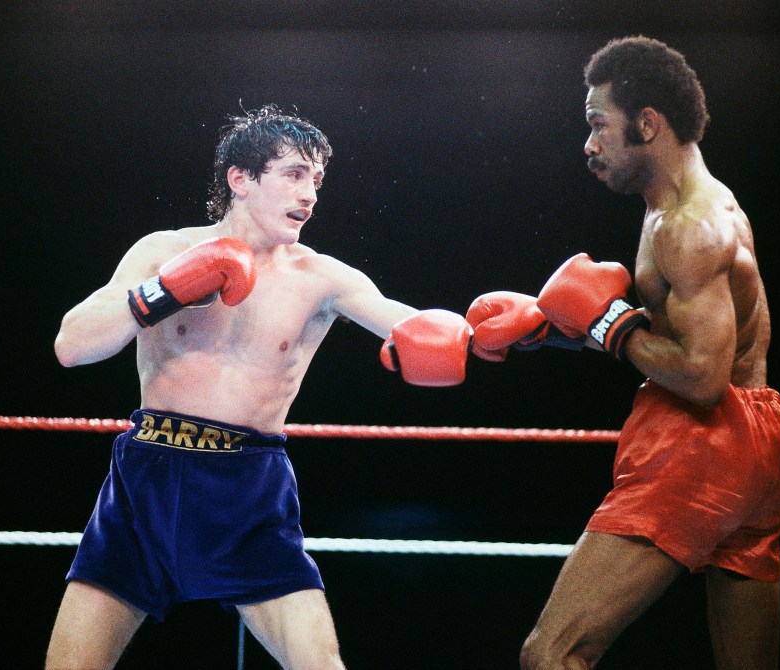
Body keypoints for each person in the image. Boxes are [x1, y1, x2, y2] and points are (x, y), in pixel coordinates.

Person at [45, 104, 471, 670]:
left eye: (317, 179)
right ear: (239, 179)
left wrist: (500, 331)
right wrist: (165, 291)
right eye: (294, 173)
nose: (311, 194)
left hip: (245, 488)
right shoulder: (162, 252)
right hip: (145, 478)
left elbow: (413, 325)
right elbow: (72, 347)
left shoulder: (322, 278)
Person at [466, 37, 780, 669]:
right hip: (763, 444)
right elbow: (679, 338)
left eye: (598, 126)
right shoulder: (689, 211)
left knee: (551, 656)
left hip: (702, 438)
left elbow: (701, 377)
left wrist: (610, 325)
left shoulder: (687, 227)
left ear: (647, 123)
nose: (588, 146)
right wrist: (556, 328)